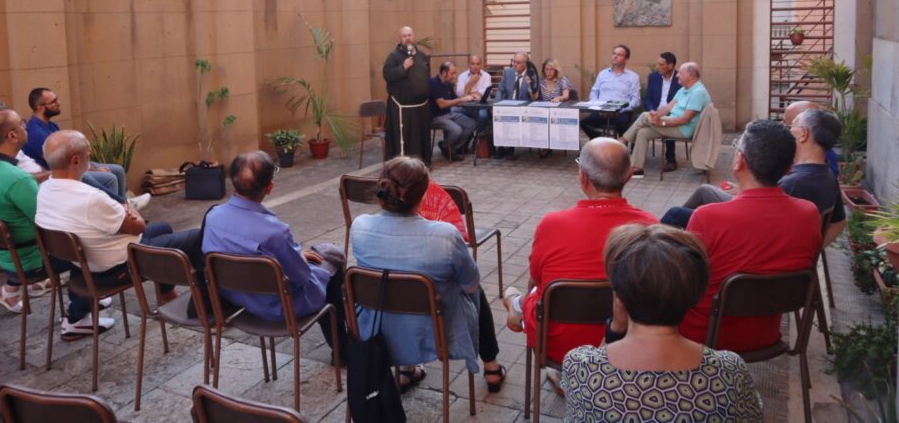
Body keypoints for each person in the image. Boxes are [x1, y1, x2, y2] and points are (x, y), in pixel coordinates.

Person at [561, 224, 763, 422]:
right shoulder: (730, 371)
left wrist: (615, 329)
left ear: (618, 298)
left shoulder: (581, 366)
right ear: (696, 295)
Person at [501, 138, 657, 379]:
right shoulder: (651, 226)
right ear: (628, 176)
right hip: (626, 339)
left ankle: (517, 303)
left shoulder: (552, 224)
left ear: (583, 178)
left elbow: (536, 278)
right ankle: (518, 303)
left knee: (534, 290)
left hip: (557, 342)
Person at [350, 156, 506, 392]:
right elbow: (471, 284)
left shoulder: (360, 226)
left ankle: (405, 370)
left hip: (379, 328)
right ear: (424, 195)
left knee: (396, 283)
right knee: (475, 292)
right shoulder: (445, 235)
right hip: (437, 329)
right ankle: (492, 367)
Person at [35, 130, 200, 340]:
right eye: (88, 151)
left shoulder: (45, 189)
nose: (91, 154)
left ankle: (167, 294)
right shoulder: (91, 198)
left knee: (164, 228)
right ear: (76, 160)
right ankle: (207, 304)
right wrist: (126, 207)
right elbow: (138, 225)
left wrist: (121, 210)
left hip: (84, 261)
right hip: (120, 266)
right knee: (195, 237)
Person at [676, 120, 822, 351]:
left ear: (739, 160)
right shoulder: (809, 213)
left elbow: (686, 280)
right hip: (765, 334)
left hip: (704, 334)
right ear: (788, 169)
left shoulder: (708, 217)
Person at [201, 151, 347, 356]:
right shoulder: (275, 232)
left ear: (232, 182)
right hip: (280, 308)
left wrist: (295, 256)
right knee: (333, 256)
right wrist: (301, 259)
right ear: (269, 187)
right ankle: (342, 349)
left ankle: (343, 344)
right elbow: (303, 276)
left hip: (237, 298)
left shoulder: (213, 216)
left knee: (315, 258)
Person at [662, 106, 846, 245]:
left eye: (790, 125)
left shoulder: (793, 184)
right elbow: (839, 222)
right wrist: (812, 253)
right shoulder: (828, 174)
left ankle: (659, 247)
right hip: (760, 226)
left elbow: (757, 221)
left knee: (677, 214)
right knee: (704, 191)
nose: (785, 128)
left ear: (804, 134)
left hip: (744, 232)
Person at [0, 108, 58, 313]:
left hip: (4, 255)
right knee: (83, 242)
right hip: (31, 261)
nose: (27, 127)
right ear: (12, 136)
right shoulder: (17, 179)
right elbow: (49, 221)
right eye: (22, 124)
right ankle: (78, 316)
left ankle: (9, 292)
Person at [22, 87, 149, 209]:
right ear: (40, 108)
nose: (58, 103)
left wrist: (92, 166)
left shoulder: (51, 125)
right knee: (110, 178)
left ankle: (127, 206)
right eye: (53, 102)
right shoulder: (36, 133)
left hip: (72, 164)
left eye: (57, 99)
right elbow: (63, 162)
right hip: (62, 173)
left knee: (118, 169)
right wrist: (94, 169)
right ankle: (119, 213)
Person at [621, 62, 710, 178]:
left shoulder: (698, 92)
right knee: (643, 132)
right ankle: (637, 169)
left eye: (681, 73)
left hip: (684, 129)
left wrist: (662, 122)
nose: (677, 75)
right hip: (673, 123)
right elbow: (668, 107)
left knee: (643, 116)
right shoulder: (684, 89)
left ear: (691, 76)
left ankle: (622, 141)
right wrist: (657, 114)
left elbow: (685, 119)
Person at [382, 26, 432, 164]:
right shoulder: (394, 56)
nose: (407, 38)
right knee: (406, 138)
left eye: (409, 35)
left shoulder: (421, 55)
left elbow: (427, 75)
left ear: (414, 36)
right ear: (400, 38)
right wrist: (402, 67)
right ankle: (403, 166)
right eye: (404, 36)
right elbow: (387, 75)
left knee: (419, 137)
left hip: (420, 106)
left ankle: (422, 163)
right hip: (402, 107)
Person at [0, 100, 48, 181]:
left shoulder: (7, 142)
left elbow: (31, 165)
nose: (25, 127)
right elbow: (14, 180)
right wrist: (53, 175)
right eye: (21, 123)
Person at [581, 45, 640, 140]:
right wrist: (597, 106)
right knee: (584, 123)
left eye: (619, 55)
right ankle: (600, 141)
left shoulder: (633, 77)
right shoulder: (602, 74)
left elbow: (635, 100)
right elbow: (594, 92)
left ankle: (622, 148)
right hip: (602, 111)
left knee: (622, 124)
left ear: (626, 59)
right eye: (614, 53)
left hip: (621, 112)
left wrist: (621, 110)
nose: (615, 56)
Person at [429, 61, 476, 161]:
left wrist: (469, 98)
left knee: (472, 124)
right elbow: (441, 104)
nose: (454, 76)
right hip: (435, 117)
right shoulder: (433, 83)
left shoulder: (448, 84)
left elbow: (456, 101)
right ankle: (447, 147)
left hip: (448, 114)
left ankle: (449, 148)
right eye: (452, 73)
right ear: (444, 72)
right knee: (457, 130)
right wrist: (460, 100)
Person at [494, 52, 537, 159]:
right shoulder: (508, 72)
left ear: (525, 64)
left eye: (518, 62)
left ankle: (509, 149)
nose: (514, 64)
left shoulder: (532, 75)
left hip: (523, 108)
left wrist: (530, 86)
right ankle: (501, 146)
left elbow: (534, 97)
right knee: (501, 116)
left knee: (514, 117)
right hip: (507, 105)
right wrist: (497, 104)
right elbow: (500, 90)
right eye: (514, 61)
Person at [644, 52, 681, 171]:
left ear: (670, 66)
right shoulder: (653, 77)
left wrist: (665, 113)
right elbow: (648, 98)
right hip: (654, 111)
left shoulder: (680, 78)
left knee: (667, 122)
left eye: (661, 64)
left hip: (672, 112)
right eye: (657, 64)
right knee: (639, 124)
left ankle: (671, 159)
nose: (657, 67)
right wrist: (651, 110)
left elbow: (681, 101)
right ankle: (635, 155)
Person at [455, 55, 491, 130]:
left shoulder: (486, 76)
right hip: (466, 106)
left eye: (478, 64)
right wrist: (471, 82)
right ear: (469, 64)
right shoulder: (462, 76)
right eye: (473, 64)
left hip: (481, 106)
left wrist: (468, 93)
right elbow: (459, 94)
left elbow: (484, 94)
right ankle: (466, 135)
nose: (475, 66)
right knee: (453, 111)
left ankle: (480, 136)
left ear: (481, 64)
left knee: (483, 116)